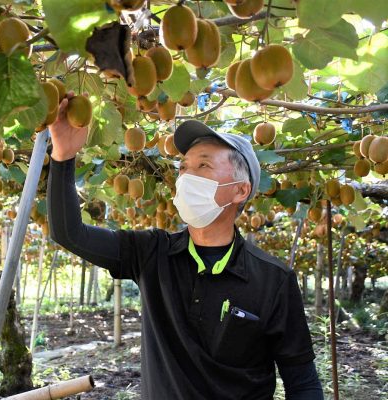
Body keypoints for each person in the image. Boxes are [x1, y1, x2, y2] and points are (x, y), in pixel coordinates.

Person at [46, 92, 323, 399]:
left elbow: (303, 382)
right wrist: (63, 156)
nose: (187, 176)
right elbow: (69, 233)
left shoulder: (273, 280)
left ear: (240, 191)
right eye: (183, 167)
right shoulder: (152, 253)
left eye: (203, 166)